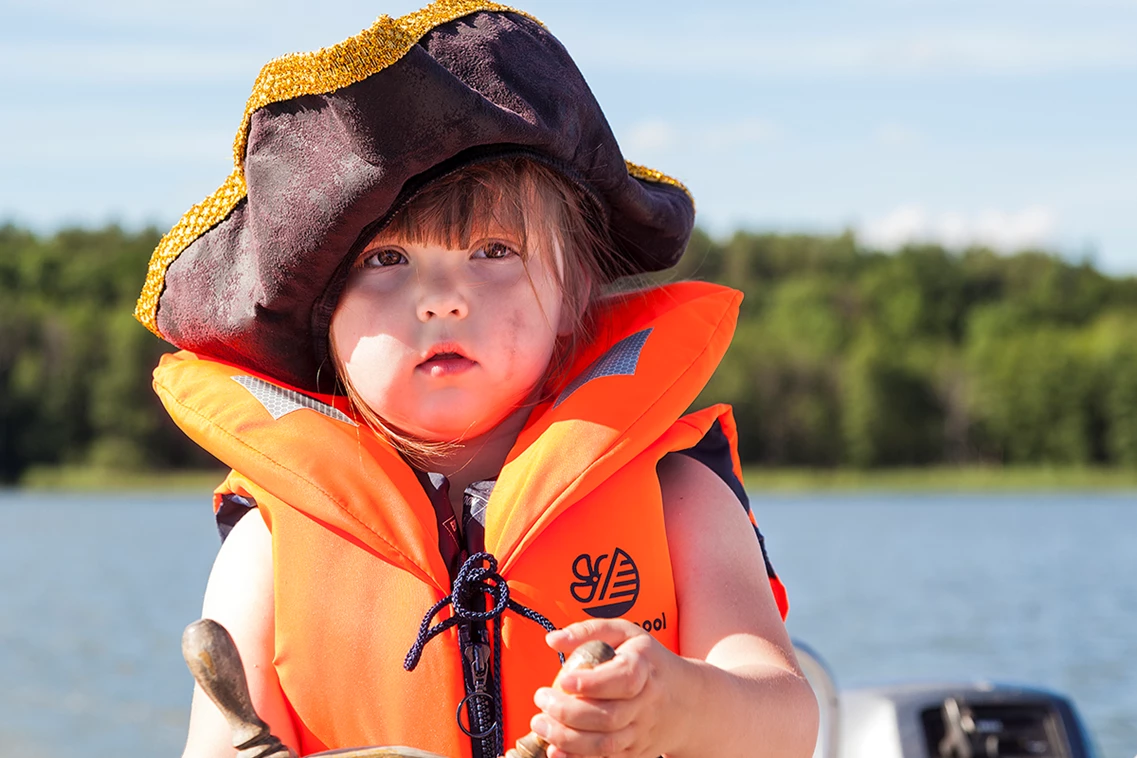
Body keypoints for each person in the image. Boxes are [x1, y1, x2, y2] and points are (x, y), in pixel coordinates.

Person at [137, 3, 819, 757]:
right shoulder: (269, 545)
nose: (442, 298)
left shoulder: (678, 496)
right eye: (386, 261)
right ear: (324, 320)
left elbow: (785, 719)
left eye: (493, 251)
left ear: (570, 298)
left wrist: (677, 703)